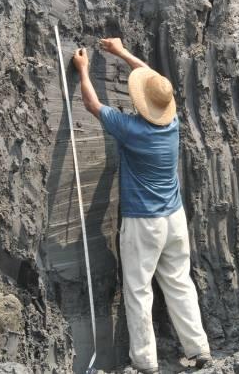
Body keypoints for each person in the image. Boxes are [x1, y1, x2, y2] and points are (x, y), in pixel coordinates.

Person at [72, 38, 211, 373]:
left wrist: (83, 70)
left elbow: (92, 105)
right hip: (174, 219)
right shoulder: (172, 123)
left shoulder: (133, 129)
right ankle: (199, 349)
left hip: (144, 223)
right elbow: (153, 79)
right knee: (179, 282)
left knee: (138, 290)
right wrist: (121, 53)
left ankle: (145, 362)